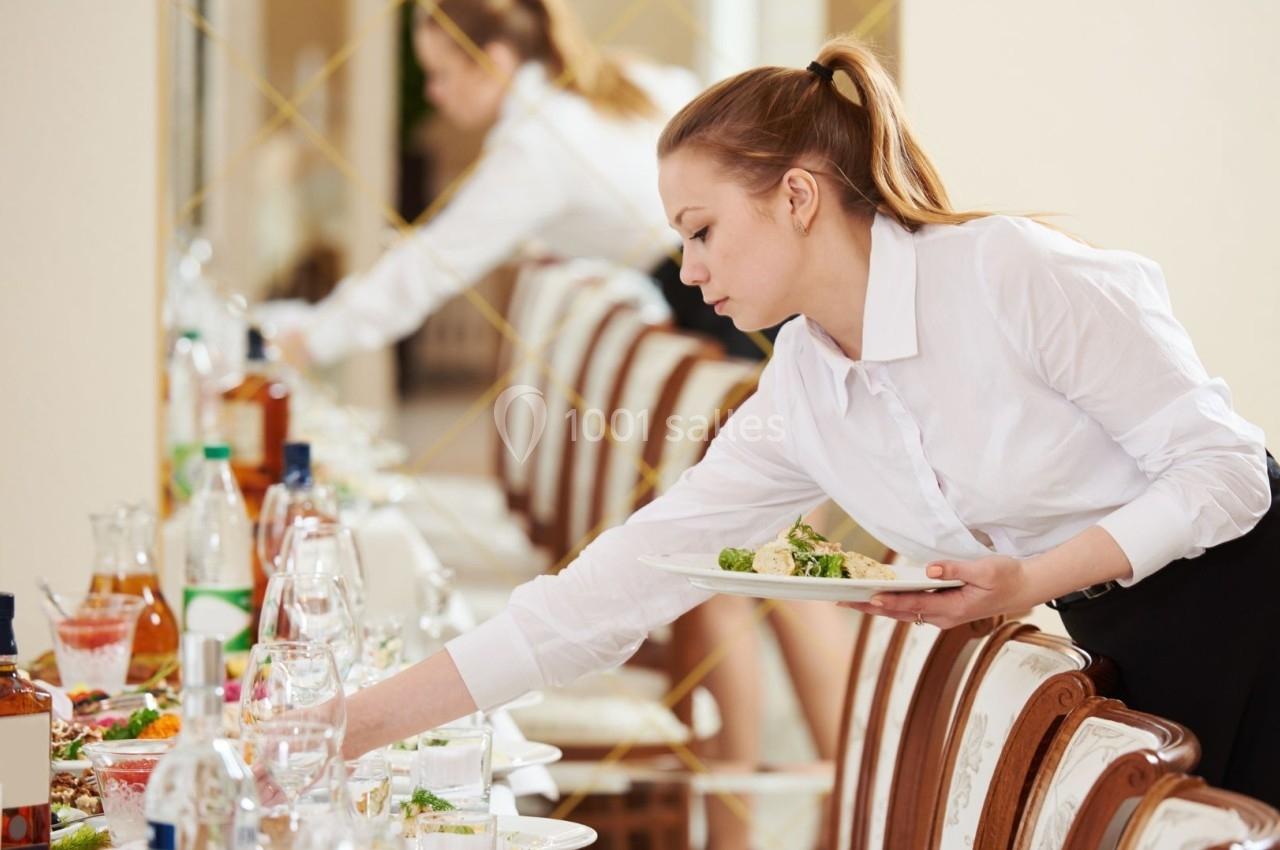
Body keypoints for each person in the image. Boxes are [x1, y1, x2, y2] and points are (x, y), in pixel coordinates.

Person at [340, 33, 1279, 812]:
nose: (689, 270)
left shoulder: (1008, 275)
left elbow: (1229, 474)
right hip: (1116, 639)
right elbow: (616, 587)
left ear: (796, 197)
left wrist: (1030, 578)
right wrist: (349, 728)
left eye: (702, 230)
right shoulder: (804, 386)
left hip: (1252, 597)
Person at [273, 0, 773, 364]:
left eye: (441, 73)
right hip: (748, 261)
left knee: (769, 453)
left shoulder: (536, 143)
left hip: (717, 294)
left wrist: (309, 341)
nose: (433, 93)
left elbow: (431, 265)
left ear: (493, 61)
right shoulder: (617, 80)